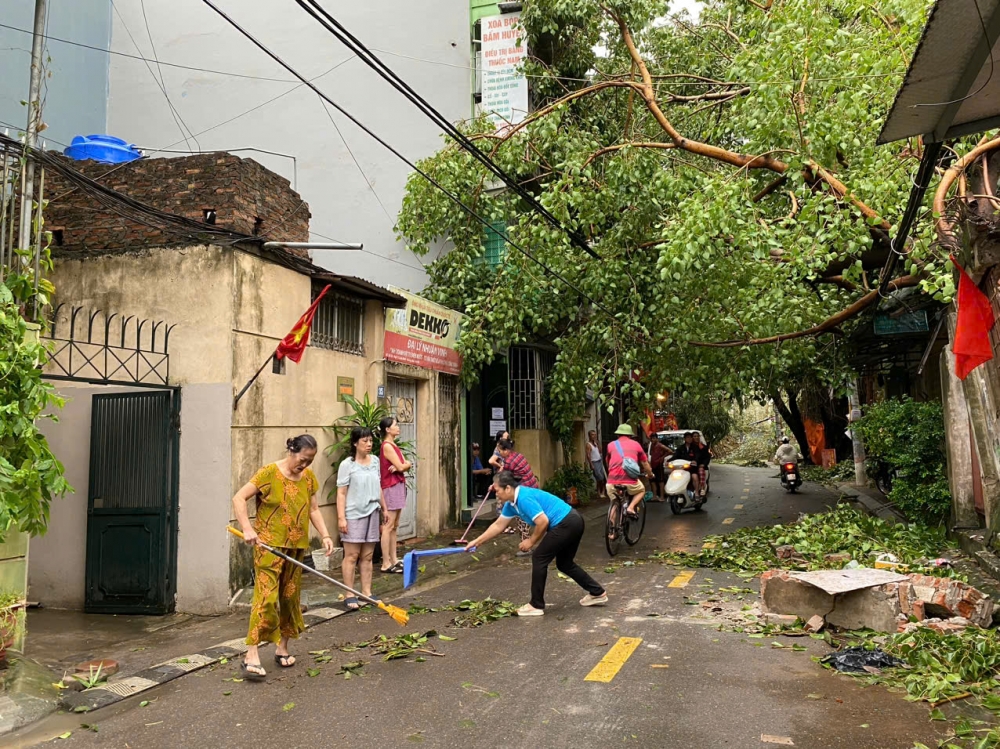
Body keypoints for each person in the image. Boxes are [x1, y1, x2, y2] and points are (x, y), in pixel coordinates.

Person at [231, 434, 334, 681]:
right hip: (268, 546)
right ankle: (251, 654)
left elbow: (313, 509)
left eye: (310, 461)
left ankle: (282, 647)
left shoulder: (308, 477)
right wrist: (247, 528)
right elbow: (238, 498)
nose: (305, 465)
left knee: (289, 598)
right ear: (291, 451)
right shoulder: (268, 473)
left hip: (296, 548)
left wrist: (326, 535)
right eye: (302, 459)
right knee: (266, 599)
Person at [465, 470, 608, 616]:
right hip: (573, 521)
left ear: (508, 488)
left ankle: (536, 605)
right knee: (565, 563)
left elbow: (543, 522)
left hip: (566, 523)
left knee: (539, 557)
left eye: (497, 490)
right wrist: (477, 542)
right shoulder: (510, 504)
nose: (496, 494)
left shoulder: (524, 498)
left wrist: (531, 541)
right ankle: (597, 593)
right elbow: (498, 525)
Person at [337, 427, 389, 610]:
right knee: (351, 555)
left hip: (373, 512)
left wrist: (384, 508)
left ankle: (366, 592)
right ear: (355, 443)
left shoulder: (374, 461)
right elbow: (341, 493)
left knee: (367, 556)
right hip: (353, 514)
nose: (369, 445)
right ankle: (349, 593)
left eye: (371, 442)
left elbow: (379, 486)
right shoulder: (347, 465)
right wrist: (341, 518)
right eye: (365, 441)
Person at [378, 417, 411, 574]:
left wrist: (404, 465)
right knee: (388, 525)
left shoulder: (393, 445)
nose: (398, 427)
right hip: (390, 486)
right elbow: (401, 465)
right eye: (395, 425)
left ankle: (394, 559)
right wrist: (403, 466)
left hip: (397, 484)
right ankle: (386, 562)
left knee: (395, 525)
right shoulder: (387, 446)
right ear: (387, 429)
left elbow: (406, 464)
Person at [605, 424, 653, 517]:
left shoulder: (610, 445)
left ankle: (611, 531)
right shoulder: (636, 445)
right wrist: (650, 474)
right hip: (629, 481)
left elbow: (608, 462)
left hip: (611, 482)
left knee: (614, 504)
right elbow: (645, 463)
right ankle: (631, 507)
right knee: (641, 490)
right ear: (630, 435)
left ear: (618, 435)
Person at [648, 435, 670, 501]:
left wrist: (662, 457)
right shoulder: (652, 446)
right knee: (653, 481)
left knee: (661, 481)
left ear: (657, 439)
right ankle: (655, 496)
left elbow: (670, 451)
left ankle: (662, 497)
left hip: (659, 465)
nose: (653, 440)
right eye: (652, 438)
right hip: (653, 465)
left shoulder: (660, 445)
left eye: (654, 438)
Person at [587, 430, 606, 497]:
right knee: (599, 477)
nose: (594, 436)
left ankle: (601, 491)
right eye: (592, 435)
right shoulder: (588, 445)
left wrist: (598, 444)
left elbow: (600, 451)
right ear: (589, 436)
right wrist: (591, 464)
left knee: (602, 477)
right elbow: (588, 455)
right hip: (594, 462)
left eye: (595, 434)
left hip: (599, 461)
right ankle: (600, 491)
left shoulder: (596, 443)